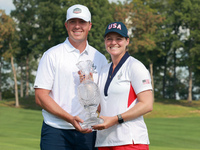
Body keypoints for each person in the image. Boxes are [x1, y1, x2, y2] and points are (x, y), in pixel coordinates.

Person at [34, 4, 107, 150]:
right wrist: (70, 119)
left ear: (90, 26)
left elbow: (104, 102)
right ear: (66, 25)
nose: (77, 26)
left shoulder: (100, 58)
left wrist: (91, 88)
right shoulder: (52, 55)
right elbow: (40, 96)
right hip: (56, 130)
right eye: (73, 22)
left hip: (89, 131)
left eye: (82, 22)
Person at [92, 22, 154, 150]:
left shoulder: (135, 66)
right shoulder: (103, 70)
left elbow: (147, 104)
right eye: (109, 39)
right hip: (105, 141)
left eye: (118, 39)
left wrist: (116, 119)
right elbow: (102, 106)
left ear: (127, 41)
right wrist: (86, 85)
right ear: (105, 41)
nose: (113, 42)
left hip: (130, 141)